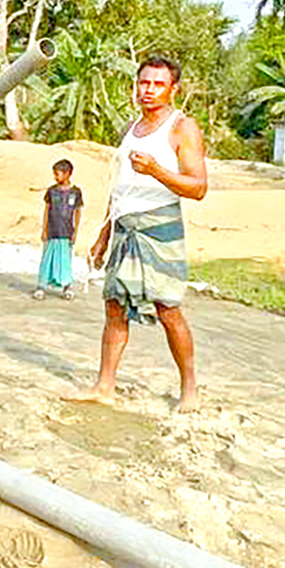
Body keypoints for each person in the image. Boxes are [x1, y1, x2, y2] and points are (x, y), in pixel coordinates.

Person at [65, 57, 208, 413]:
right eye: (144, 83)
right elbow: (120, 186)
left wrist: (157, 170)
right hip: (124, 226)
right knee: (114, 307)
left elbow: (198, 187)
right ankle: (104, 386)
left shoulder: (182, 128)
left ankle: (189, 387)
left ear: (174, 89)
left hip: (160, 227)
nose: (149, 90)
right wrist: (103, 234)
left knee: (167, 308)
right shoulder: (131, 128)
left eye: (158, 84)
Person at [35, 158, 83, 300]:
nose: (55, 177)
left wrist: (75, 232)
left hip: (66, 232)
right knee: (47, 259)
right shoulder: (52, 191)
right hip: (52, 231)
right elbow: (46, 210)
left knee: (65, 261)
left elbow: (78, 212)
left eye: (58, 174)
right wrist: (44, 229)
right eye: (54, 174)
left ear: (68, 174)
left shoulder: (75, 192)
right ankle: (41, 286)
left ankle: (67, 287)